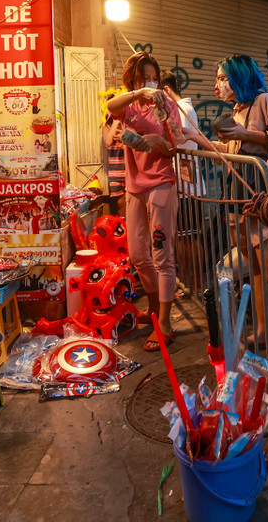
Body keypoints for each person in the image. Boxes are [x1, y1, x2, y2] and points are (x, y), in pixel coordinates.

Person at [210, 53, 268, 346]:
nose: (218, 85)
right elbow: (233, 151)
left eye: (222, 78)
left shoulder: (265, 101)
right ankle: (264, 331)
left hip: (261, 197)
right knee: (257, 271)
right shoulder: (237, 110)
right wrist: (193, 138)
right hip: (238, 197)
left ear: (239, 76)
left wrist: (246, 133)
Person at [106, 51, 184, 352]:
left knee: (162, 256)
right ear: (133, 82)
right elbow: (110, 107)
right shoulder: (130, 105)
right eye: (144, 79)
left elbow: (175, 148)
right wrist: (138, 94)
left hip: (161, 183)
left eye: (154, 78)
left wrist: (159, 142)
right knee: (139, 255)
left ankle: (165, 323)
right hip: (134, 187)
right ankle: (153, 308)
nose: (151, 84)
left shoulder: (167, 106)